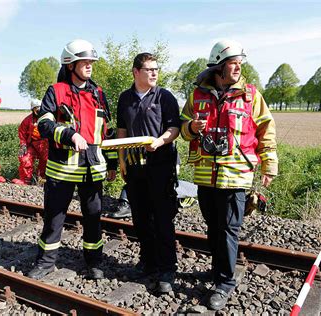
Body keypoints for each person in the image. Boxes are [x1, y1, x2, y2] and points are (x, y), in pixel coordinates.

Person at [180, 39, 278, 310]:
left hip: (235, 176)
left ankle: (224, 283)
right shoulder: (197, 95)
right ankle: (217, 271)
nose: (238, 68)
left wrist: (270, 165)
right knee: (213, 228)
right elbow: (182, 125)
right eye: (233, 63)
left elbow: (265, 131)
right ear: (219, 67)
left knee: (228, 231)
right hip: (205, 175)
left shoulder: (250, 95)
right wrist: (191, 127)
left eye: (239, 63)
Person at [27, 39, 117, 280]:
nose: (89, 66)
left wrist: (113, 163)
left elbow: (106, 130)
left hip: (93, 170)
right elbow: (44, 125)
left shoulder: (98, 94)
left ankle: (94, 262)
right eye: (84, 62)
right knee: (54, 218)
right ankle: (46, 263)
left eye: (91, 62)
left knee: (93, 219)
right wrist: (69, 134)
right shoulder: (55, 91)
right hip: (62, 170)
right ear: (70, 64)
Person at [117, 53, 180, 293]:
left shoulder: (165, 97)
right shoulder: (125, 98)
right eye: (149, 69)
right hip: (134, 168)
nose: (154, 73)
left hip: (160, 166)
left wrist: (160, 141)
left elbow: (174, 128)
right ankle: (148, 261)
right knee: (140, 218)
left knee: (162, 219)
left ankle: (167, 269)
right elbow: (121, 130)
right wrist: (122, 159)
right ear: (135, 72)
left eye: (156, 69)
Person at [11, 99, 48, 185]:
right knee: (24, 158)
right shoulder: (27, 120)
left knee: (46, 161)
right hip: (32, 144)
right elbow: (22, 133)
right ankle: (25, 180)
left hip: (45, 145)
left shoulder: (48, 118)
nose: (38, 110)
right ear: (32, 109)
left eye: (39, 108)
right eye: (36, 108)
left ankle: (42, 180)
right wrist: (23, 145)